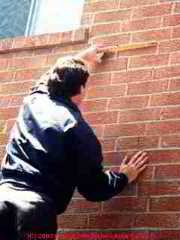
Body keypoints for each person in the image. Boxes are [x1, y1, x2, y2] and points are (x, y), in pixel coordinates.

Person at [0, 45, 148, 240]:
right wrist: (123, 177)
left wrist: (80, 58)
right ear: (81, 90)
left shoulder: (34, 100)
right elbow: (94, 188)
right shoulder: (78, 130)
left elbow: (50, 75)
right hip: (33, 212)